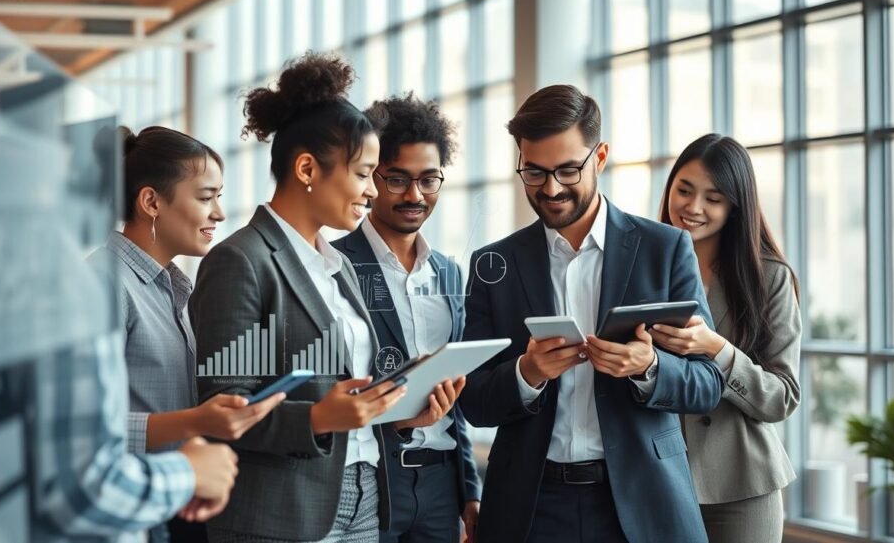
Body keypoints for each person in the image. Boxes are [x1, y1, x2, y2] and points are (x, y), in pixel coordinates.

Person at [457, 84, 723, 543]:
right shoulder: (491, 265)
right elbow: (473, 401)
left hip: (642, 503)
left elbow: (708, 385)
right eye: (534, 173)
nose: (551, 188)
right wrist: (527, 373)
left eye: (566, 169)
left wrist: (650, 367)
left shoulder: (664, 249)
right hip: (530, 507)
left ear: (600, 157)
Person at [188, 52, 406, 543]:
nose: (373, 191)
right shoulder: (243, 262)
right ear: (308, 167)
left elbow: (343, 385)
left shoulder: (339, 265)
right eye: (363, 172)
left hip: (363, 495)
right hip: (282, 512)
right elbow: (227, 407)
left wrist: (400, 407)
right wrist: (316, 418)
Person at [88, 126, 284, 542]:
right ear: (151, 201)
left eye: (219, 195)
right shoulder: (102, 285)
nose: (219, 213)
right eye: (205, 197)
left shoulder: (176, 287)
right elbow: (87, 431)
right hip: (132, 511)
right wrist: (195, 419)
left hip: (179, 502)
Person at [332, 93, 481, 543]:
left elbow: (456, 398)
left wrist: (468, 489)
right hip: (369, 480)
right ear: (370, 179)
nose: (415, 195)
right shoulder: (333, 269)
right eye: (397, 180)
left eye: (429, 180)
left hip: (440, 486)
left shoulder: (450, 274)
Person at [652, 133, 801, 543]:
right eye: (684, 189)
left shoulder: (769, 277)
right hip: (656, 479)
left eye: (713, 198)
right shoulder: (643, 267)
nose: (693, 207)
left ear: (736, 207)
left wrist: (716, 349)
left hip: (741, 486)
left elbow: (782, 396)